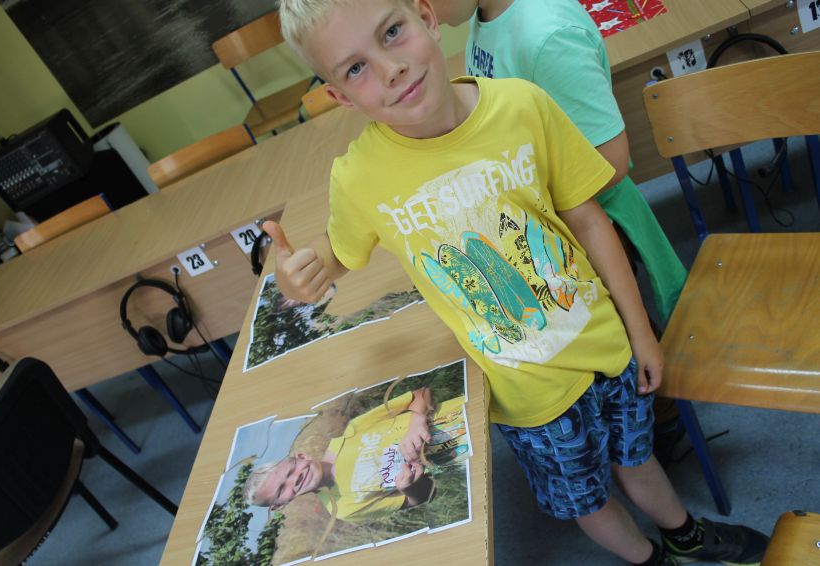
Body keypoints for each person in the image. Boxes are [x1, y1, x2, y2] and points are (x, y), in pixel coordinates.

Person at [266, 0, 768, 564]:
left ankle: (684, 536)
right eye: (355, 68)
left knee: (637, 456)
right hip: (528, 394)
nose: (390, 69)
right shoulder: (359, 177)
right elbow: (336, 252)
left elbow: (589, 220)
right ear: (339, 95)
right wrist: (302, 272)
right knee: (585, 497)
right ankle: (649, 561)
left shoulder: (522, 105)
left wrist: (640, 333)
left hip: (605, 346)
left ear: (426, 17)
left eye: (392, 32)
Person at [430, 0, 687, 325]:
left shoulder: (545, 37)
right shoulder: (487, 15)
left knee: (623, 339)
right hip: (548, 223)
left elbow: (611, 161)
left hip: (586, 229)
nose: (422, 10)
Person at [245, 387, 468, 522]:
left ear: (302, 456)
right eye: (281, 490)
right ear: (280, 505)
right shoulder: (343, 509)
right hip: (466, 454)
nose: (295, 479)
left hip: (465, 411)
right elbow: (423, 497)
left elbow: (422, 393)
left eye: (290, 471)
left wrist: (415, 420)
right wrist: (410, 488)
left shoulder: (352, 431)